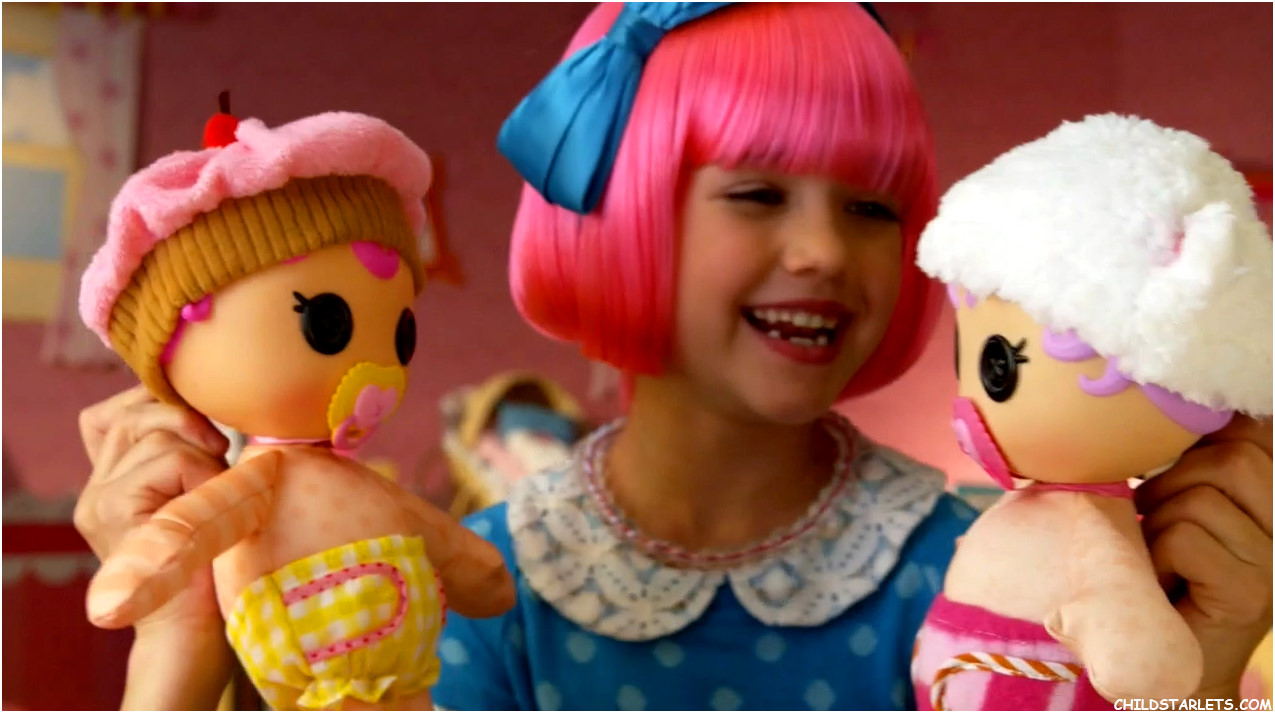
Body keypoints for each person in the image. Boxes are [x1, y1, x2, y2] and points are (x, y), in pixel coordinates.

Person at [74, 3, 1273, 710]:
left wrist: (1204, 663)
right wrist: (179, 642)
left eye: (873, 207)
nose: (827, 250)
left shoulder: (993, 563)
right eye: (757, 192)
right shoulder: (472, 580)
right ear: (619, 215)